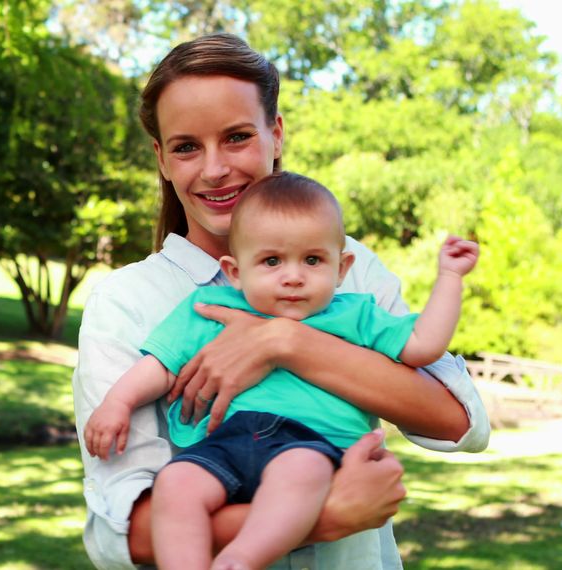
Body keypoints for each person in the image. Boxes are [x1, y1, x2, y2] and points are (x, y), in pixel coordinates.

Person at [71, 33, 490, 569]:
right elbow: (124, 534)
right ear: (161, 158)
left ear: (276, 133)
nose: (215, 168)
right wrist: (329, 514)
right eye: (186, 147)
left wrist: (285, 341)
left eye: (238, 137)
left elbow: (458, 421)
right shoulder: (128, 301)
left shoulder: (347, 265)